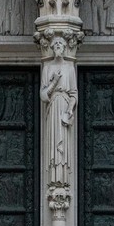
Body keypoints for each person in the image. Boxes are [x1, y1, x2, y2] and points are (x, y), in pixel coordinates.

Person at [40, 36, 78, 186]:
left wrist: (69, 109)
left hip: (64, 106)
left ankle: (63, 179)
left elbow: (74, 94)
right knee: (54, 142)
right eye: (55, 45)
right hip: (52, 106)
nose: (58, 47)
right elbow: (43, 95)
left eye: (60, 45)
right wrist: (54, 82)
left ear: (64, 48)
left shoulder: (69, 69)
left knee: (63, 143)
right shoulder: (47, 68)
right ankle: (54, 179)